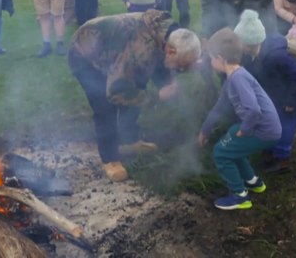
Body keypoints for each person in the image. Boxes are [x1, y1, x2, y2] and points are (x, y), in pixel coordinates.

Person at [67, 9, 201, 182]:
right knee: (104, 105)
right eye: (180, 66)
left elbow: (158, 64)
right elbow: (116, 91)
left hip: (116, 52)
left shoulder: (168, 32)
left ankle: (128, 139)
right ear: (171, 51)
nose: (180, 70)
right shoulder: (140, 50)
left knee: (138, 82)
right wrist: (157, 97)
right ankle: (110, 158)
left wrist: (169, 83)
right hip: (84, 55)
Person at [197, 27, 281, 210]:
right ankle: (253, 181)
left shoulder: (238, 79)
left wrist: (245, 130)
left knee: (221, 152)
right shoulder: (232, 78)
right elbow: (219, 108)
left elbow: (253, 110)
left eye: (211, 58)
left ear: (220, 58)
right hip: (264, 128)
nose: (210, 61)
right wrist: (205, 129)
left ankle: (239, 195)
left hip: (262, 130)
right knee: (232, 140)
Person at [234, 10, 296, 174]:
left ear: (250, 43)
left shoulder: (276, 56)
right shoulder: (255, 52)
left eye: (241, 43)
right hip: (280, 93)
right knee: (274, 118)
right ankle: (271, 149)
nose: (239, 46)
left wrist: (292, 102)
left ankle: (282, 158)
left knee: (285, 124)